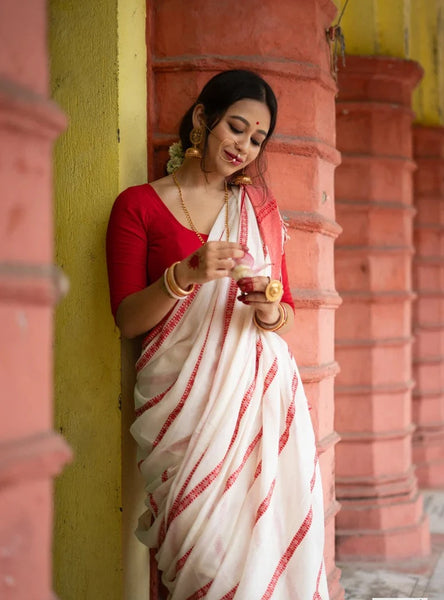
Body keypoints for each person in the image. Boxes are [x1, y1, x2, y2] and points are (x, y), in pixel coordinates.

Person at [106, 70, 329, 600]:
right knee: (200, 556)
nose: (244, 147)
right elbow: (128, 319)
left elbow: (287, 310)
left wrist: (268, 308)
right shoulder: (138, 205)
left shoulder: (258, 211)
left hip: (255, 409)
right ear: (203, 118)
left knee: (260, 552)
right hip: (181, 418)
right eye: (236, 127)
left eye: (257, 139)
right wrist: (185, 275)